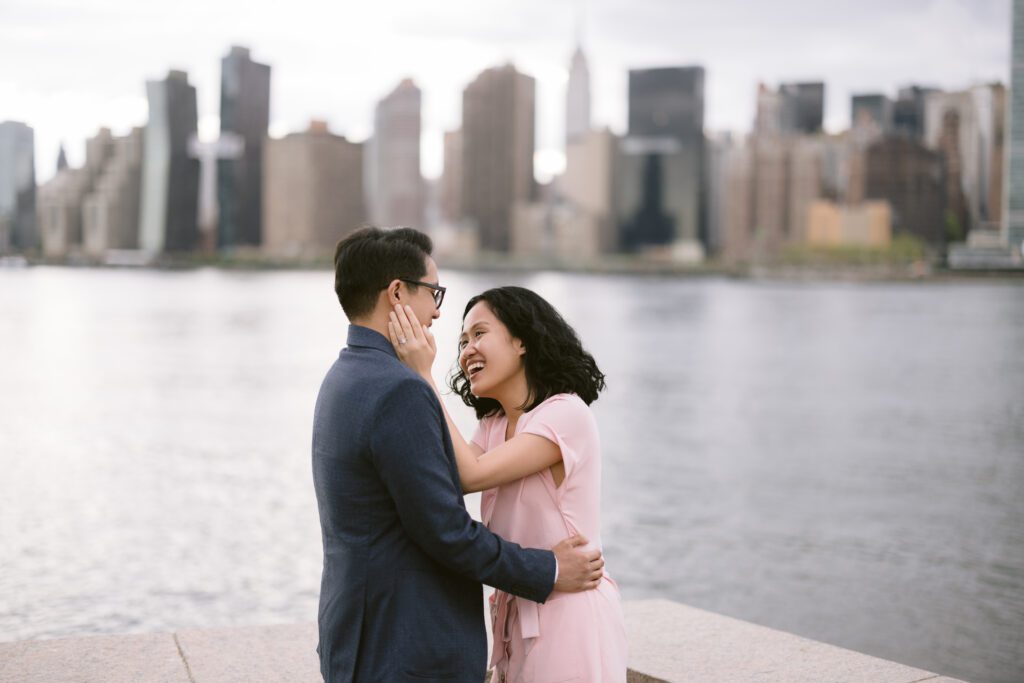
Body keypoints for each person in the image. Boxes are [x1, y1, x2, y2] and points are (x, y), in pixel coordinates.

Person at [311, 227, 605, 683]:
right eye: (434, 292)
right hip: (404, 645)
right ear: (397, 294)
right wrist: (546, 568)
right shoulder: (398, 391)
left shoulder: (343, 377)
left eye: (478, 334)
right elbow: (447, 530)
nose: (437, 312)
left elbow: (460, 480)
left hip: (364, 632)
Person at [388, 286, 628, 682]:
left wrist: (421, 374)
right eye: (462, 341)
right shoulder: (493, 426)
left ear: (521, 341)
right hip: (517, 617)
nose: (466, 351)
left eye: (479, 334)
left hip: (571, 616)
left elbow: (470, 474)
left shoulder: (566, 413)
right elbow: (449, 474)